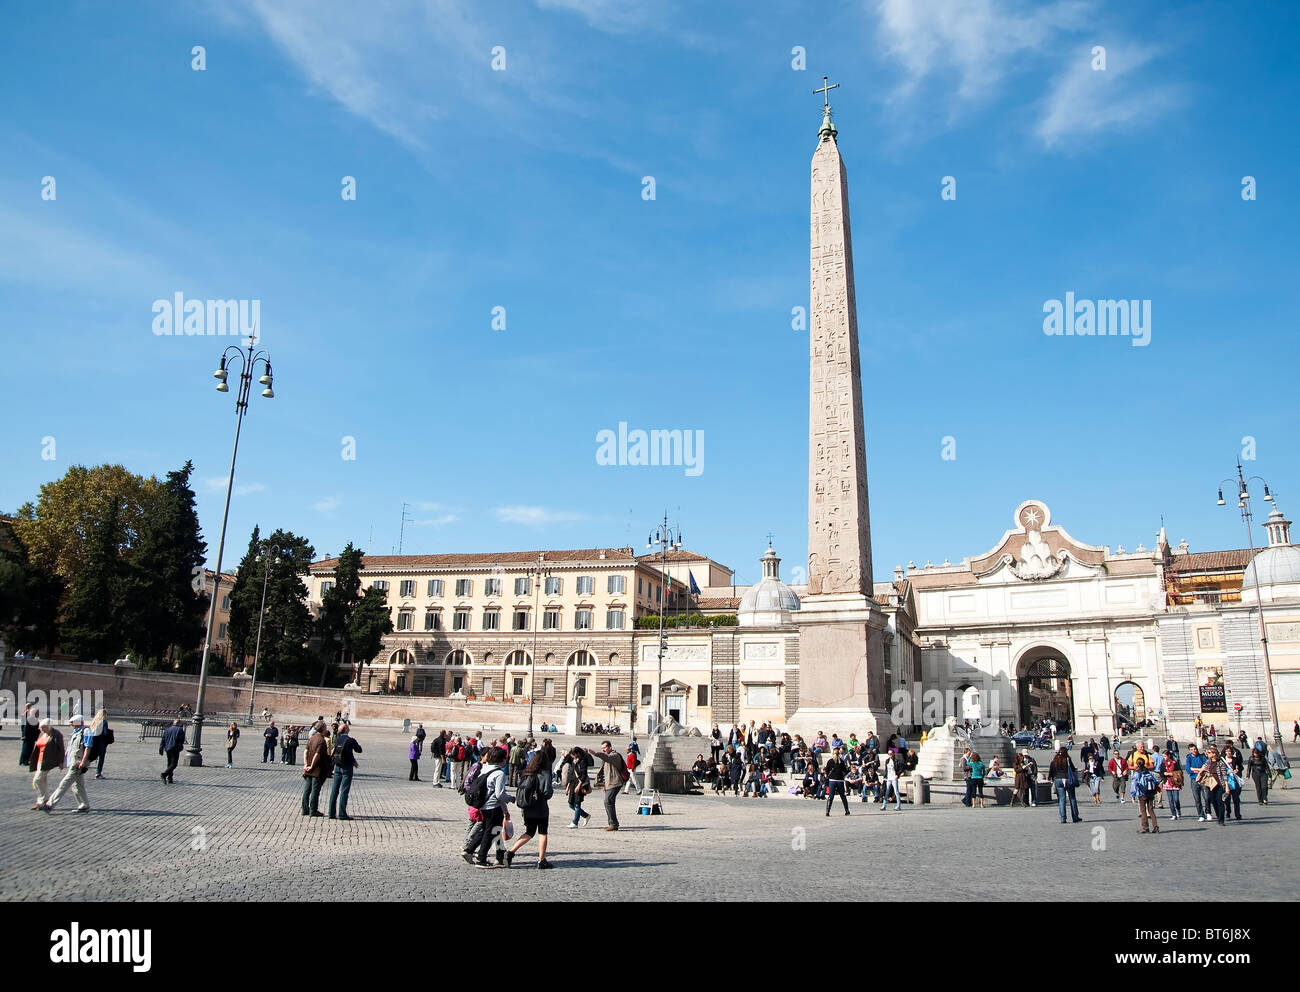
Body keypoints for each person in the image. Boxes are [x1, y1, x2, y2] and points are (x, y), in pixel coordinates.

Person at [506, 746, 555, 868]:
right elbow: (547, 793)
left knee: (529, 832)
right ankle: (541, 860)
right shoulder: (545, 774)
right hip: (541, 808)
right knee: (542, 833)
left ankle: (511, 852)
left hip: (527, 808)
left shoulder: (526, 772)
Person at [471, 746, 511, 868]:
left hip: (484, 805)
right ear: (502, 760)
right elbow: (499, 794)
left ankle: (499, 857)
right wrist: (511, 798)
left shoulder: (485, 768)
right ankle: (481, 857)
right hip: (493, 806)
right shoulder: (499, 774)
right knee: (490, 833)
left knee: (496, 831)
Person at [47, 713, 92, 812]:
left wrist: (83, 762)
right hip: (72, 761)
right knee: (78, 785)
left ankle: (50, 804)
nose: (71, 725)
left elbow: (88, 747)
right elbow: (69, 748)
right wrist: (63, 761)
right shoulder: (75, 732)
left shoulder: (86, 731)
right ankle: (84, 804)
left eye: (72, 723)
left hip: (78, 762)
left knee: (64, 783)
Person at [587, 741, 628, 831]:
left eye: (605, 747)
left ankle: (613, 824)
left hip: (615, 782)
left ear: (610, 747)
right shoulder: (606, 758)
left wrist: (596, 753)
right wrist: (604, 784)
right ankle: (612, 823)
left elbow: (607, 758)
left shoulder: (614, 755)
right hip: (609, 783)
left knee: (608, 801)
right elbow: (605, 772)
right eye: (602, 748)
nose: (603, 749)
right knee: (608, 802)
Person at [28, 717, 65, 811]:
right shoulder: (42, 734)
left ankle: (43, 800)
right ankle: (42, 801)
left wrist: (61, 761)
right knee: (42, 780)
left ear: (49, 726)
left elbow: (61, 748)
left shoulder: (56, 734)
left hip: (48, 760)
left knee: (37, 780)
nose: (42, 729)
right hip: (39, 760)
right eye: (41, 727)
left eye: (44, 727)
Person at [1128, 742, 1160, 834]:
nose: (1142, 748)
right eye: (1140, 747)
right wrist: (1156, 788)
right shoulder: (1148, 772)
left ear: (1137, 765)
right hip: (1150, 792)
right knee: (1151, 810)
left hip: (1142, 793)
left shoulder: (1138, 773)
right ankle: (1155, 826)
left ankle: (1145, 827)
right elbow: (1156, 780)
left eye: (1143, 746)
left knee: (1143, 811)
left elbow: (1134, 785)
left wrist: (1133, 795)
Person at [300, 721, 329, 816]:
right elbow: (317, 754)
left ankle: (304, 809)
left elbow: (306, 751)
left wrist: (306, 764)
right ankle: (313, 810)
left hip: (308, 767)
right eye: (325, 727)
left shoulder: (312, 738)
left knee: (307, 789)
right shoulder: (321, 740)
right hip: (317, 768)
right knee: (315, 790)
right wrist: (312, 765)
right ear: (323, 729)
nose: (326, 729)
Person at [1196, 745, 1229, 825]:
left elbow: (1224, 775)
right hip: (1210, 785)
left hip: (1219, 784)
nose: (1208, 754)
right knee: (1213, 801)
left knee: (1220, 801)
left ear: (1214, 754)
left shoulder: (1220, 763)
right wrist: (1206, 773)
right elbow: (1205, 771)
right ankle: (1218, 815)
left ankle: (1221, 819)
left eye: (1209, 753)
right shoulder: (1208, 762)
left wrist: (1227, 786)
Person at [1050, 744, 1083, 824]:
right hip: (1067, 779)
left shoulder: (1054, 760)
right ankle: (1075, 817)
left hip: (1058, 779)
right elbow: (1072, 769)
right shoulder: (1067, 759)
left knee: (1062, 799)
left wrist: (1052, 778)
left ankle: (1063, 818)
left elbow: (1051, 770)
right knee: (1072, 798)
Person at [562, 747, 592, 827]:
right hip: (573, 783)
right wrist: (568, 787)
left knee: (577, 803)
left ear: (578, 753)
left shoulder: (583, 761)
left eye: (573, 755)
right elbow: (571, 774)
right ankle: (585, 815)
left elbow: (583, 774)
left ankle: (575, 822)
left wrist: (579, 785)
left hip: (580, 784)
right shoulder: (574, 761)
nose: (572, 756)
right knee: (571, 804)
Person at [85, 708, 113, 778]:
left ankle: (83, 765)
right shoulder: (104, 722)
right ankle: (98, 773)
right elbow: (105, 733)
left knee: (91, 756)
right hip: (100, 741)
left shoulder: (94, 721)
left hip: (93, 740)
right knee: (101, 757)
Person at [824, 746, 850, 816]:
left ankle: (827, 811)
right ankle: (847, 810)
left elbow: (826, 770)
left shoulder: (830, 761)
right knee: (843, 796)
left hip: (832, 780)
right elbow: (845, 771)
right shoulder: (841, 761)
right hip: (840, 780)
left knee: (831, 796)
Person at [1185, 744, 1208, 820]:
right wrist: (1200, 769)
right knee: (1197, 798)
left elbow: (1206, 767)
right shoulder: (1189, 758)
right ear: (1189, 750)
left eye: (1194, 749)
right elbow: (1188, 770)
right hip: (1194, 780)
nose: (1194, 751)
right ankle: (1201, 815)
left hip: (1203, 779)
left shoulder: (1202, 757)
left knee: (1207, 797)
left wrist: (1195, 769)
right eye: (1191, 750)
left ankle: (1208, 812)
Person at [159, 719, 186, 784]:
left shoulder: (167, 729)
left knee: (169, 763)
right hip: (175, 748)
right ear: (179, 724)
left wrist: (161, 748)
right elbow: (181, 740)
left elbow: (163, 739)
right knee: (174, 764)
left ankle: (170, 778)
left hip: (168, 748)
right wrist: (180, 747)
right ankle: (164, 774)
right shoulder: (180, 730)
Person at [1222, 744, 1244, 821]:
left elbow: (1241, 767)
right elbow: (1221, 770)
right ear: (1225, 752)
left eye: (1230, 751)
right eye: (1227, 751)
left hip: (1235, 781)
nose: (1229, 753)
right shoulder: (1222, 760)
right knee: (1227, 799)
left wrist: (1237, 770)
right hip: (1227, 781)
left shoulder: (1235, 759)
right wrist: (1228, 771)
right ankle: (1228, 811)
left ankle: (1238, 814)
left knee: (1236, 799)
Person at [1162, 749, 1184, 820]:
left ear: (1169, 756)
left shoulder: (1175, 763)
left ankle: (1178, 810)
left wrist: (1172, 773)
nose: (1164, 757)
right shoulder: (1163, 763)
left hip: (1175, 782)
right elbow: (1161, 772)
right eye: (1163, 756)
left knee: (1176, 799)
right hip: (1167, 782)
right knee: (1170, 800)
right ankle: (1173, 814)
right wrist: (1164, 774)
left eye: (1165, 756)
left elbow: (1180, 771)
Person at [19, 703, 41, 768]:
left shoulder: (32, 718)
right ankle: (24, 761)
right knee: (27, 749)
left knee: (27, 749)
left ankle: (24, 761)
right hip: (29, 737)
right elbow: (26, 728)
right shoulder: (30, 718)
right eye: (37, 712)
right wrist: (24, 735)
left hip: (30, 737)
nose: (38, 714)